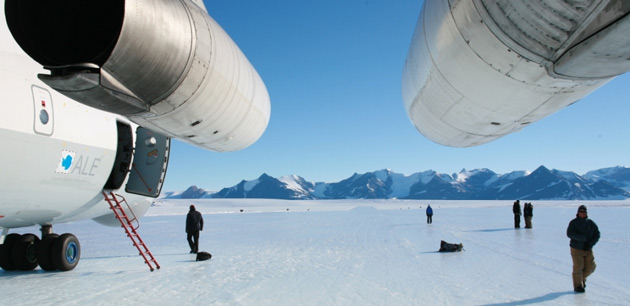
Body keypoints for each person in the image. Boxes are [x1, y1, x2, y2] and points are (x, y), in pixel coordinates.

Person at [566, 205, 600, 293]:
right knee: (578, 268)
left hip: (588, 249)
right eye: (581, 212)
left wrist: (590, 243)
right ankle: (578, 286)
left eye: (584, 212)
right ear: (578, 213)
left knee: (591, 267)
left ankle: (582, 279)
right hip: (576, 249)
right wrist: (582, 238)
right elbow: (570, 234)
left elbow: (597, 234)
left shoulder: (590, 223)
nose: (583, 213)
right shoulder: (574, 223)